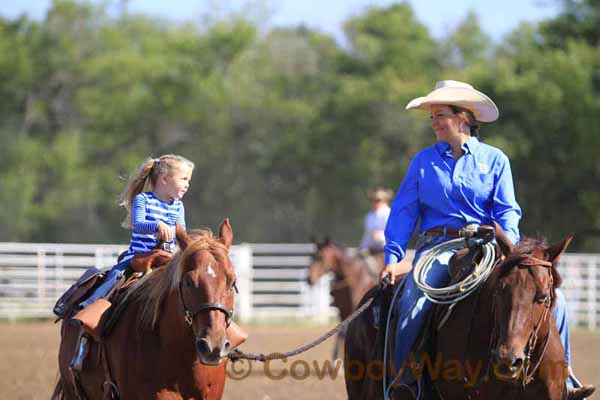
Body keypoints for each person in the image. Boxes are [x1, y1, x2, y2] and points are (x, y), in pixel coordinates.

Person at [379, 80, 594, 398]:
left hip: (490, 245)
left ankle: (564, 378)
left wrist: (510, 247)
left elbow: (508, 210)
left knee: (553, 300)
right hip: (438, 247)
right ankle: (405, 381)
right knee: (414, 299)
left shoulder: (495, 160)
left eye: (440, 115)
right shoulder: (423, 163)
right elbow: (402, 213)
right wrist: (393, 258)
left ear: (463, 117)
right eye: (432, 117)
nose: (434, 122)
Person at [70, 154, 247, 371]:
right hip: (140, 256)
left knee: (200, 289)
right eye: (183, 179)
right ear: (164, 179)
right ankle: (89, 313)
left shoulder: (178, 207)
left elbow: (180, 230)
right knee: (115, 278)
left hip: (168, 260)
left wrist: (179, 237)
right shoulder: (143, 200)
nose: (187, 185)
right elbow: (138, 224)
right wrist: (157, 226)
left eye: (189, 180)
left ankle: (221, 334)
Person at [359, 187, 393, 255]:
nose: (375, 202)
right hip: (371, 248)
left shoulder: (389, 214)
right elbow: (367, 235)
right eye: (373, 200)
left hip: (387, 248)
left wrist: (381, 236)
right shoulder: (369, 216)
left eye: (378, 200)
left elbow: (393, 233)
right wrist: (362, 247)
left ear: (385, 200)